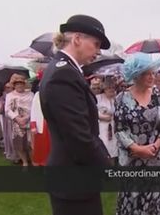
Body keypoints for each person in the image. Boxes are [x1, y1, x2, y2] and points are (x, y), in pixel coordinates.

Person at [39, 14, 111, 215]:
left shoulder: (66, 69)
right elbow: (78, 135)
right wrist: (106, 165)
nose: (97, 52)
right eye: (96, 44)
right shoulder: (64, 73)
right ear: (77, 39)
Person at [114, 53, 160, 215]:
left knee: (154, 198)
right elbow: (119, 129)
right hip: (132, 161)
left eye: (153, 72)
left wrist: (155, 146)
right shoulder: (121, 98)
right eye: (147, 73)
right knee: (132, 198)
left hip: (155, 159)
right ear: (136, 75)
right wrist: (138, 149)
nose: (152, 76)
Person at [5, 76, 33, 167]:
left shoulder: (31, 94)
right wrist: (17, 118)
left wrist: (27, 117)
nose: (19, 85)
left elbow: (34, 108)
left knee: (30, 144)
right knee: (19, 144)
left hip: (30, 121)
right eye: (17, 84)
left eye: (21, 83)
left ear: (24, 84)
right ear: (14, 85)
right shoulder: (10, 95)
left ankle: (33, 161)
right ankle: (24, 162)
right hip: (16, 123)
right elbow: (7, 110)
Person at [30, 70, 50, 166]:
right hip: (41, 123)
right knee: (41, 145)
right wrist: (33, 125)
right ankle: (41, 162)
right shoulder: (37, 95)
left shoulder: (55, 93)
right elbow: (33, 111)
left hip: (52, 123)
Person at [96, 77, 118, 165]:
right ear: (104, 89)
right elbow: (92, 111)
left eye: (113, 87)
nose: (111, 90)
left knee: (113, 151)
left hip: (113, 128)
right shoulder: (98, 98)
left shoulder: (116, 98)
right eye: (109, 88)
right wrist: (102, 116)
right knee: (103, 150)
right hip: (102, 127)